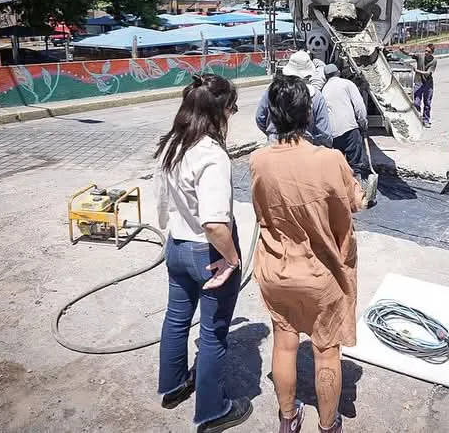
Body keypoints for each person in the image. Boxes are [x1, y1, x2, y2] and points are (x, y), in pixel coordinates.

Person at [250, 75, 366, 433]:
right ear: (308, 114)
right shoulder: (330, 159)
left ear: (271, 112)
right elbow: (355, 203)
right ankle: (328, 425)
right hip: (321, 275)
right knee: (326, 352)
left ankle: (288, 418)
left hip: (275, 269)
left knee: (284, 344)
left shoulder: (258, 160)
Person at [154, 74, 251, 433]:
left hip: (176, 247)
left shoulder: (174, 145)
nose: (233, 114)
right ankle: (213, 411)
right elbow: (214, 223)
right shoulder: (211, 155)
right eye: (232, 107)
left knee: (176, 319)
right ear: (218, 111)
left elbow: (162, 201)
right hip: (206, 252)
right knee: (213, 334)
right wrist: (231, 258)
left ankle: (174, 384)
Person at [256, 50, 333, 147]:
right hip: (306, 148)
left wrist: (272, 134)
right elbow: (324, 133)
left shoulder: (272, 90)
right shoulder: (315, 95)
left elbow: (260, 118)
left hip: (275, 144)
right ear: (308, 74)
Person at [321, 63, 370, 180]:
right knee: (355, 165)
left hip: (333, 133)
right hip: (350, 129)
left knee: (340, 165)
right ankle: (356, 189)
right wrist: (363, 122)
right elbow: (359, 106)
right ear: (338, 72)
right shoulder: (347, 84)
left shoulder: (324, 89)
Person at [400, 43, 437, 128]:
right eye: (426, 51)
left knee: (427, 103)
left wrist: (416, 70)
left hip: (428, 84)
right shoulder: (420, 56)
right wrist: (402, 50)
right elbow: (410, 54)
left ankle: (426, 120)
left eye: (428, 52)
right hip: (418, 82)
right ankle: (417, 119)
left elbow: (428, 73)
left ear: (432, 53)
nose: (426, 53)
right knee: (416, 102)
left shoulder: (434, 61)